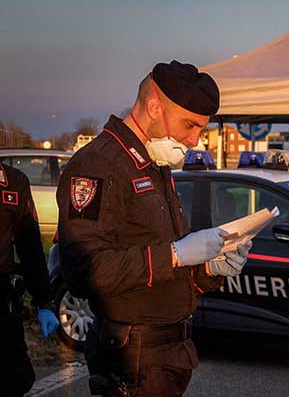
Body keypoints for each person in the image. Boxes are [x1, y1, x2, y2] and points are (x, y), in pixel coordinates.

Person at [57, 61, 251, 397]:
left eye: (201, 129)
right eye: (190, 125)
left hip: (166, 354)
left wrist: (209, 268)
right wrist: (174, 255)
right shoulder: (99, 163)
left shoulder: (155, 165)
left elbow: (163, 263)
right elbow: (82, 270)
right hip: (133, 355)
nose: (195, 139)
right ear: (154, 107)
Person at [0, 163, 59, 396]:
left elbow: (30, 246)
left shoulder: (13, 183)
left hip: (3, 308)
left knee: (15, 381)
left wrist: (44, 301)